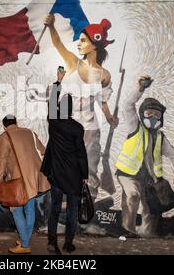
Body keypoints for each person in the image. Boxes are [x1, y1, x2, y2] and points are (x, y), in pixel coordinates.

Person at [43, 14, 118, 199]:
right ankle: (63, 205)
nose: (79, 44)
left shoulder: (104, 75)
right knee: (64, 166)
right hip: (66, 127)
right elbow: (58, 44)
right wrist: (51, 26)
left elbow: (102, 100)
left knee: (89, 169)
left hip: (89, 130)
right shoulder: (72, 62)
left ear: (94, 44)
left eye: (83, 40)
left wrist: (109, 118)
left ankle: (87, 204)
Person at [115, 75, 174, 236]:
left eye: (157, 115)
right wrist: (140, 89)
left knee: (152, 208)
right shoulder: (135, 127)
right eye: (149, 113)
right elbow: (127, 105)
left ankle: (148, 234)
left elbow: (171, 154)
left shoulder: (161, 137)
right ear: (142, 115)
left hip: (150, 178)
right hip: (128, 173)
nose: (153, 117)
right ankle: (127, 230)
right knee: (132, 196)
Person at [0, 115, 50, 254]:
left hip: (17, 180)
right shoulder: (29, 132)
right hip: (34, 177)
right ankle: (25, 239)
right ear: (16, 123)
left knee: (16, 210)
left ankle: (25, 245)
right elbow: (43, 150)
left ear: (4, 126)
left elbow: (2, 160)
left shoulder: (4, 137)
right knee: (30, 208)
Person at [41, 93, 88, 254]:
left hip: (57, 176)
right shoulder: (77, 128)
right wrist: (85, 175)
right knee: (72, 210)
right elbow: (81, 153)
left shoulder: (54, 123)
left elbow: (52, 103)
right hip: (74, 175)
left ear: (60, 107)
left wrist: (58, 82)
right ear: (71, 109)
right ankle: (68, 243)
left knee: (54, 209)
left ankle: (52, 243)